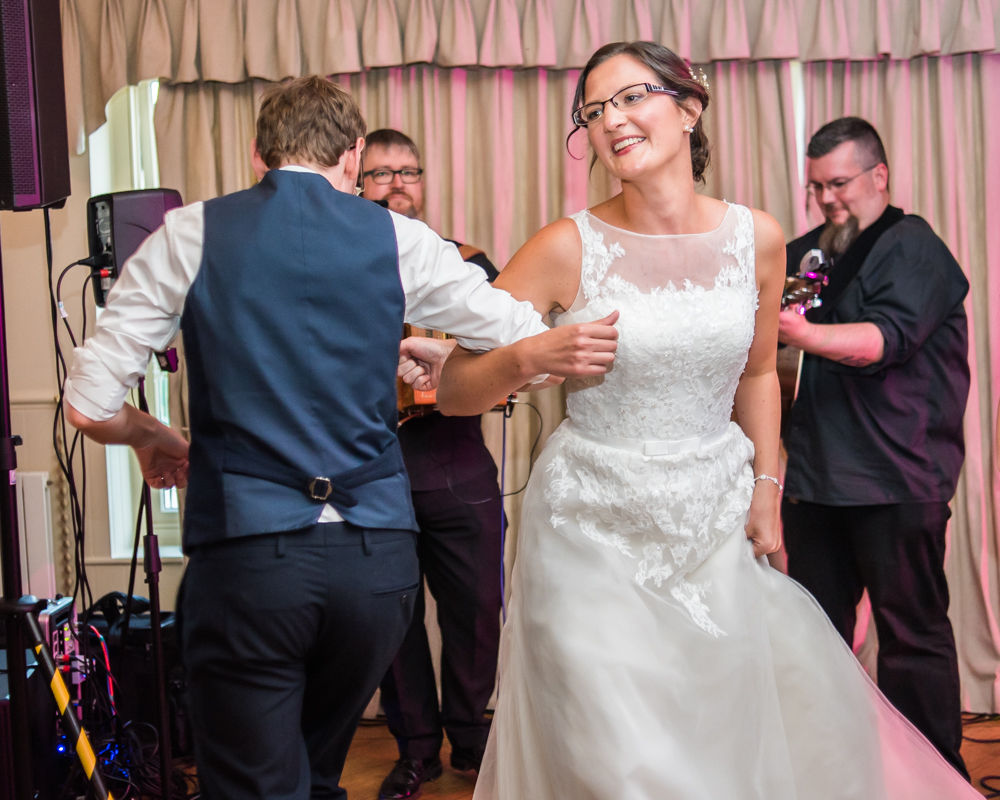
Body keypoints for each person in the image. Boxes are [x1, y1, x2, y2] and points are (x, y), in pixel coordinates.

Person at [434, 42, 981, 798]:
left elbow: (756, 373)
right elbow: (454, 389)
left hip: (713, 518)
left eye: (630, 97)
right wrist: (532, 355)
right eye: (593, 111)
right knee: (613, 752)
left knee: (718, 733)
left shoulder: (758, 238)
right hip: (591, 526)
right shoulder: (565, 247)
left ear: (689, 108)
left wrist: (766, 487)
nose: (610, 121)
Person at [62, 76, 619, 800]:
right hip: (374, 563)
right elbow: (532, 352)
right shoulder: (400, 238)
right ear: (353, 156)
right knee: (314, 769)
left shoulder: (191, 233)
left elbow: (87, 406)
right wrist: (452, 358)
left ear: (258, 153)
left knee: (257, 782)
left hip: (250, 558)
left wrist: (150, 436)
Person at [778, 116, 971, 777]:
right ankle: (833, 772)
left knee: (912, 634)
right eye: (816, 187)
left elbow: (880, 341)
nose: (827, 199)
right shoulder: (807, 254)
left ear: (879, 175)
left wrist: (796, 334)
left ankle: (935, 777)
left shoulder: (913, 247)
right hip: (815, 480)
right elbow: (775, 354)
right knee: (816, 640)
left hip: (898, 477)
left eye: (839, 184)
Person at [360, 129, 504, 799]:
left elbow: (506, 353)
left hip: (457, 461)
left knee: (477, 610)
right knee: (393, 620)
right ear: (356, 182)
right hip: (372, 470)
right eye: (380, 173)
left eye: (408, 171)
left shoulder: (466, 264)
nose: (397, 184)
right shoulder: (339, 264)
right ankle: (415, 749)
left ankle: (471, 738)